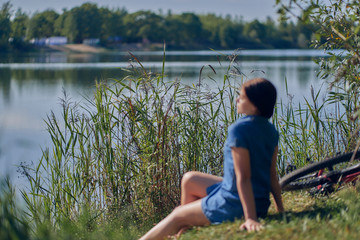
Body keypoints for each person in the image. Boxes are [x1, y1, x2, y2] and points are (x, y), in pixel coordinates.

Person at [140, 78, 284, 240]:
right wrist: (280, 209)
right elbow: (272, 174)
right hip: (260, 202)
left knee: (177, 214)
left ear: (254, 104)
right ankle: (186, 231)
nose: (237, 99)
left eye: (242, 97)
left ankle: (180, 223)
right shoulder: (271, 131)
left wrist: (250, 217)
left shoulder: (239, 130)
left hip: (235, 203)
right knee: (190, 179)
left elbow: (243, 177)